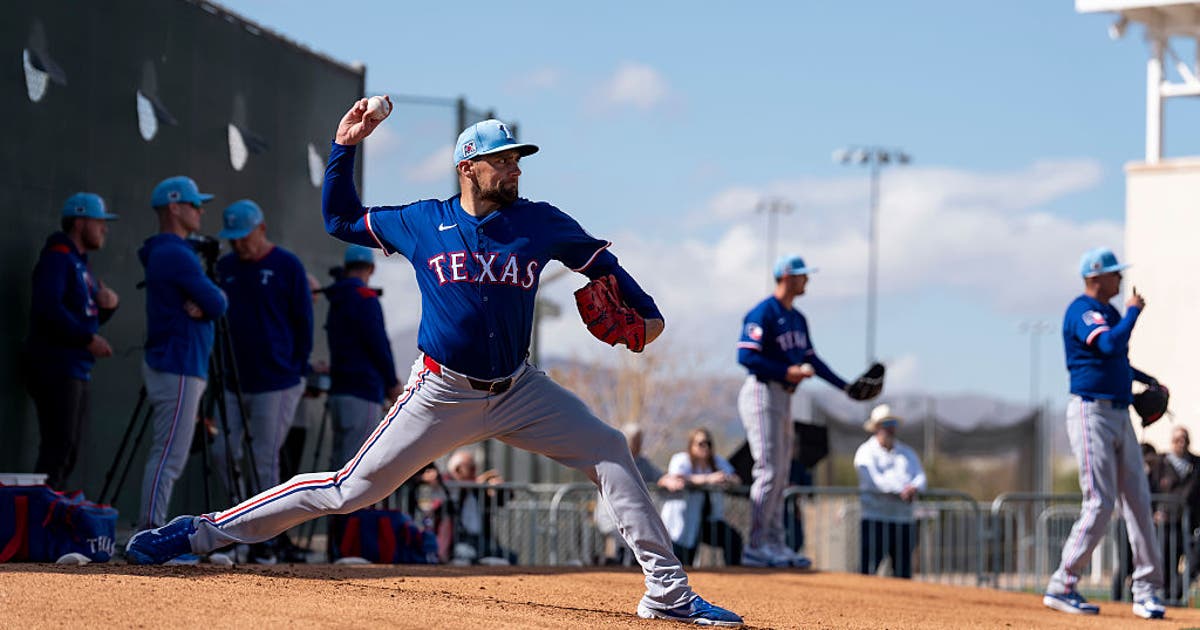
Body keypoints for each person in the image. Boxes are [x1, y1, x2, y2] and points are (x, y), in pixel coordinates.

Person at [126, 101, 742, 627]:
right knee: (347, 491)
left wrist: (648, 309)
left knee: (610, 448)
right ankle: (196, 533)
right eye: (502, 159)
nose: (514, 168)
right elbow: (339, 219)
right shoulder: (423, 221)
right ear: (467, 165)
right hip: (441, 391)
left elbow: (600, 263)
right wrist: (343, 147)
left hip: (520, 389)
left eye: (518, 160)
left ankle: (668, 593)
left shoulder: (538, 222)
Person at [1043, 247, 1166, 620]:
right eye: (1114, 273)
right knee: (1100, 501)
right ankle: (1063, 583)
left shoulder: (1109, 312)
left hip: (1118, 410)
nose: (1120, 278)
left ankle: (1147, 591)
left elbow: (1118, 362)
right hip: (1090, 410)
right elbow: (1109, 343)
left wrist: (1149, 381)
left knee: (1140, 501)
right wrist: (1133, 312)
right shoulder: (1081, 310)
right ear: (1096, 277)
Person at [736, 253, 872, 568]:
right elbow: (746, 358)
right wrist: (788, 372)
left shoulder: (798, 319)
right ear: (786, 276)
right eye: (801, 274)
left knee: (782, 472)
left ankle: (775, 543)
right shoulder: (763, 312)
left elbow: (813, 360)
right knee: (769, 470)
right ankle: (756, 545)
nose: (806, 279)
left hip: (783, 396)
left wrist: (845, 387)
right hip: (761, 391)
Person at [208, 199, 313, 563]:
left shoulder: (286, 265)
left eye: (244, 237)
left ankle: (263, 538)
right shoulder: (225, 267)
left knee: (264, 461)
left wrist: (296, 369)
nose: (239, 245)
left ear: (261, 229)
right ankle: (238, 524)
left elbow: (304, 322)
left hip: (278, 380)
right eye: (233, 239)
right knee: (222, 453)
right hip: (234, 380)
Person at [136, 176, 228, 533]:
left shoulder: (170, 251)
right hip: (177, 363)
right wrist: (210, 302)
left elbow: (213, 303)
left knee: (169, 454)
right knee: (169, 457)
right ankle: (150, 530)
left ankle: (151, 527)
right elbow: (218, 302)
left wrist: (209, 302)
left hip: (179, 362)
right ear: (174, 207)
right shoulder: (174, 252)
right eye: (193, 204)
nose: (200, 211)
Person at [23, 192, 120, 489]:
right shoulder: (57, 258)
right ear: (80, 222)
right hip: (55, 365)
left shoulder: (80, 264)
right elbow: (47, 308)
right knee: (58, 447)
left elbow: (80, 316)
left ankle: (51, 516)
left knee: (69, 449)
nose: (104, 228)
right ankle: (41, 521)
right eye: (99, 222)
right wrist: (87, 338)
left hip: (75, 366)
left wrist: (106, 308)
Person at [324, 245, 401, 469]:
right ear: (371, 268)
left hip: (339, 390)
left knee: (339, 462)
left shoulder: (337, 297)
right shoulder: (365, 297)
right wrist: (392, 383)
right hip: (362, 390)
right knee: (355, 468)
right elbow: (378, 344)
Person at [853, 404, 926, 579]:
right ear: (876, 427)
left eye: (892, 423)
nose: (890, 428)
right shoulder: (865, 452)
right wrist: (901, 490)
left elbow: (920, 477)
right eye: (886, 424)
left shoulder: (907, 452)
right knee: (868, 570)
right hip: (875, 519)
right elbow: (873, 481)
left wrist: (913, 488)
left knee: (902, 571)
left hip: (903, 519)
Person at [598, 423, 684, 565]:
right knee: (629, 544)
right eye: (636, 441)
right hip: (611, 518)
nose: (639, 444)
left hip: (631, 518)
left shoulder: (642, 462)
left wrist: (671, 480)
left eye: (640, 440)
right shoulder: (612, 459)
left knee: (641, 542)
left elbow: (659, 477)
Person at [660, 429, 743, 567]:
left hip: (707, 520)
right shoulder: (682, 459)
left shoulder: (716, 462)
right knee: (683, 563)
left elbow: (736, 479)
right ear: (691, 445)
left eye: (709, 443)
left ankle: (733, 575)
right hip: (681, 523)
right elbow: (676, 478)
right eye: (701, 443)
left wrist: (726, 480)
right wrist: (707, 479)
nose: (706, 447)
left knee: (733, 539)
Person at [1151, 426, 1200, 601]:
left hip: (1191, 524)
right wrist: (1152, 513)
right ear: (1171, 442)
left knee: (1195, 561)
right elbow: (1149, 490)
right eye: (1177, 439)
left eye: (1185, 439)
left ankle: (1174, 596)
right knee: (1167, 563)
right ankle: (1166, 599)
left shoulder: (1196, 464)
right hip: (1166, 524)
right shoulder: (1161, 463)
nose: (1182, 443)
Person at [443, 448, 515, 565]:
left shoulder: (479, 492)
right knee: (465, 559)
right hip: (459, 541)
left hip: (483, 540)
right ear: (457, 470)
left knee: (510, 558)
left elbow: (507, 497)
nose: (474, 471)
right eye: (470, 468)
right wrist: (479, 481)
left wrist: (499, 487)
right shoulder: (448, 488)